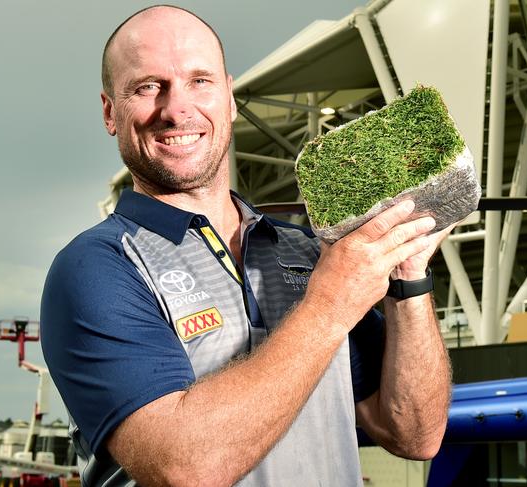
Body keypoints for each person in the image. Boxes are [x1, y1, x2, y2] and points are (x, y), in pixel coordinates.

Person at [40, 5, 452, 487]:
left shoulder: (306, 252)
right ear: (112, 112)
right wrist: (329, 306)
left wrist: (409, 279)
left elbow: (415, 434)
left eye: (200, 81)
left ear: (229, 98)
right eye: (148, 86)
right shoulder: (97, 267)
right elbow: (186, 467)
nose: (176, 109)